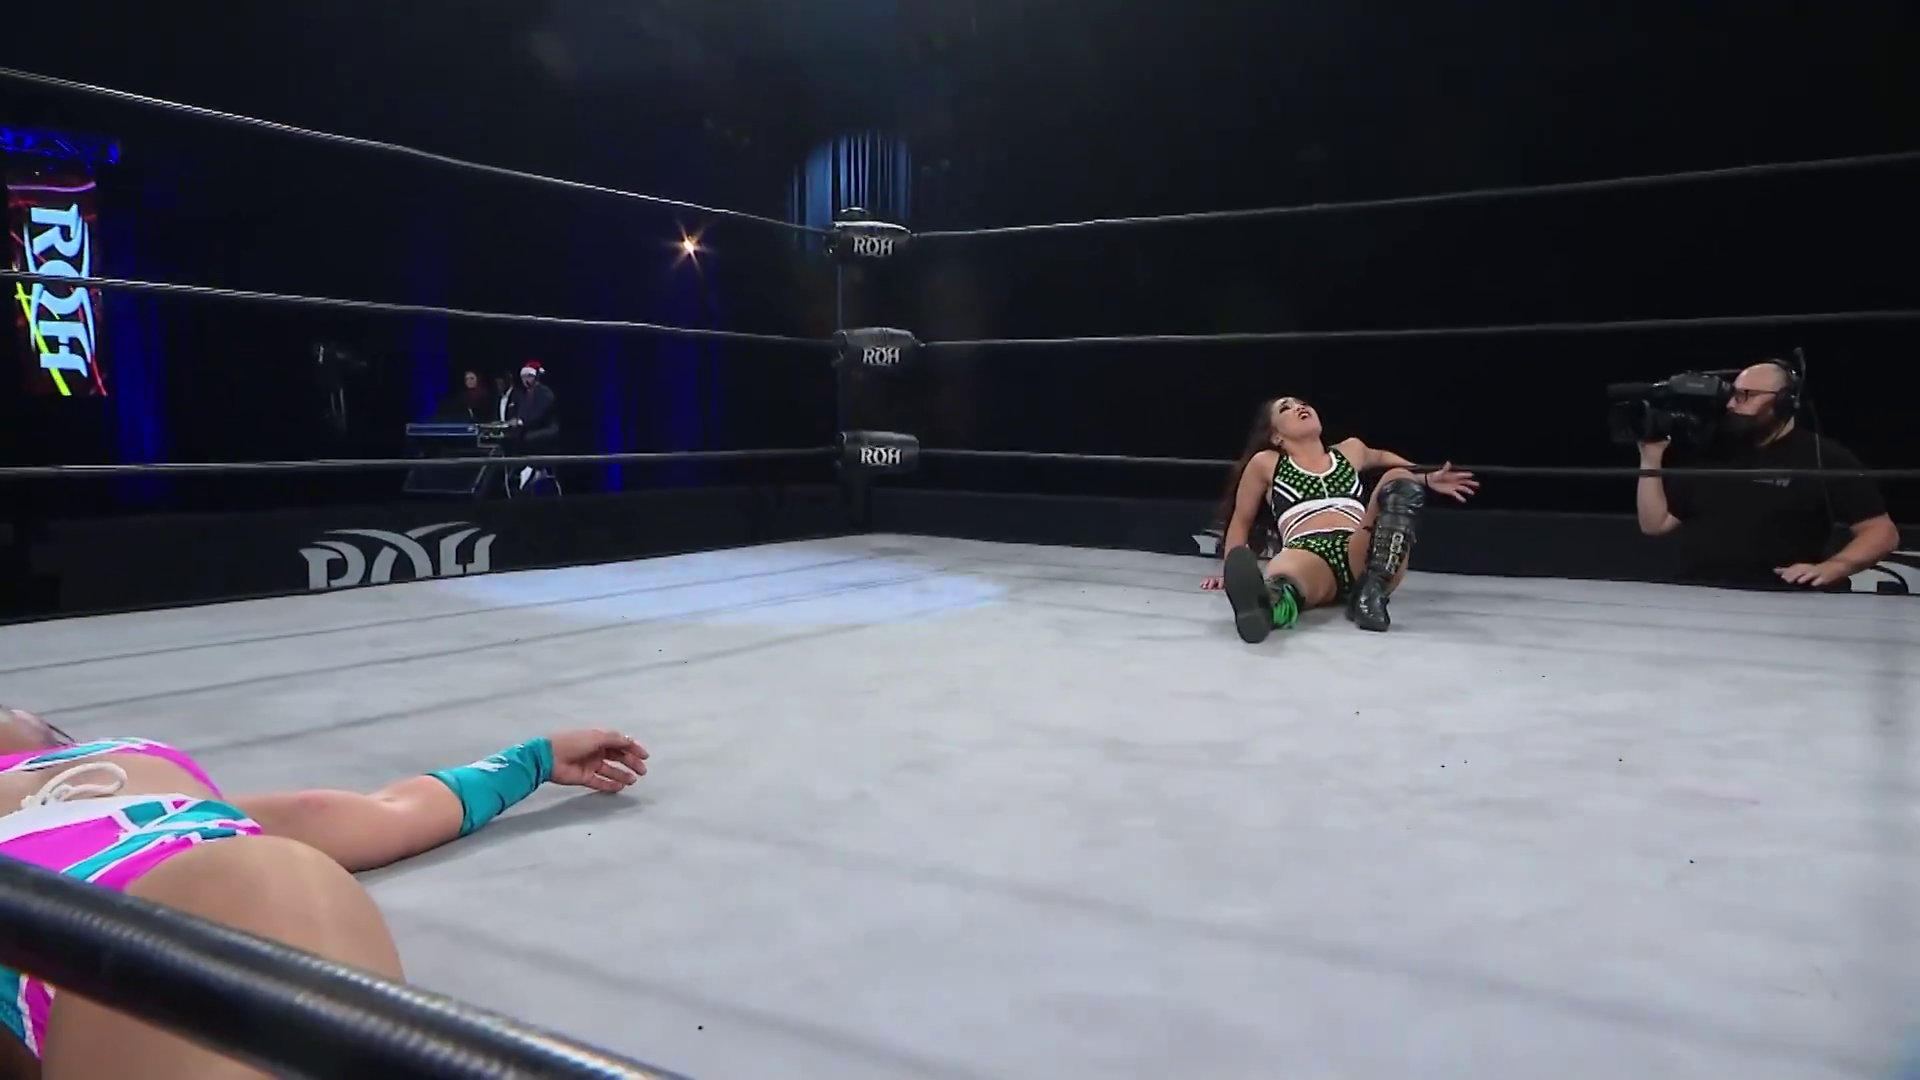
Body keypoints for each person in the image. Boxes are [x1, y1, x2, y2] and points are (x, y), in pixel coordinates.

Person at [0, 706, 647, 1078]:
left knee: (264, 880)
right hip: (55, 942)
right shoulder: (157, 789)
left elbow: (378, 813)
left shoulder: (156, 791)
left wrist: (534, 759)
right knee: (261, 882)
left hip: (169, 919)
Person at [1203, 397, 1479, 642]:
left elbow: (1382, 457)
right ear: (1276, 436)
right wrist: (1228, 569)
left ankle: (1370, 594)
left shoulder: (1350, 450)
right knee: (1283, 582)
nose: (1299, 407)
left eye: (1302, 403)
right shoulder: (1266, 462)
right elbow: (1241, 520)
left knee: (1400, 478)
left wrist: (1425, 477)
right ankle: (1263, 611)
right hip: (1308, 554)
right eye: (1286, 408)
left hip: (1361, 551)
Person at [1636, 359, 1899, 589]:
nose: (1732, 404)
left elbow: (1882, 532)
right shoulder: (1712, 450)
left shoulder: (1823, 457)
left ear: (1783, 402)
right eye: (1733, 394)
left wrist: (1832, 568)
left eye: (1745, 396)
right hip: (1699, 594)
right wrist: (1650, 457)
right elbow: (1655, 524)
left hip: (1780, 599)